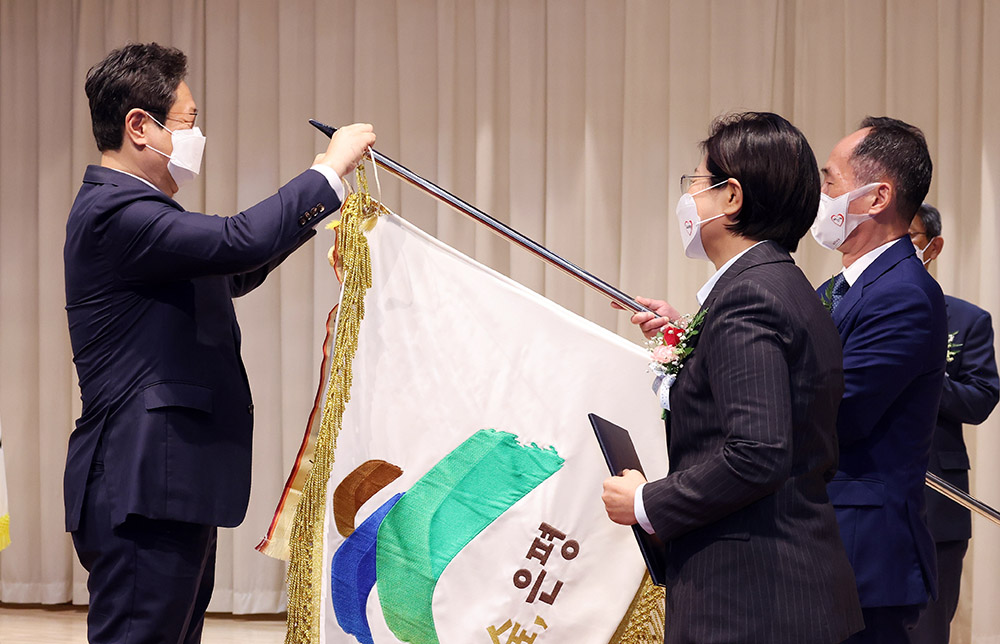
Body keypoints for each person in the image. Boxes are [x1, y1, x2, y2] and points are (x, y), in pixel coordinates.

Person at [63, 42, 375, 644]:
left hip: (168, 483)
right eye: (187, 120)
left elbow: (233, 269)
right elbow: (236, 241)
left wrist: (321, 202)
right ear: (138, 126)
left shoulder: (143, 215)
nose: (196, 134)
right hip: (140, 484)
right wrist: (325, 175)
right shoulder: (114, 211)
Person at [602, 112, 863, 643]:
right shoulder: (776, 284)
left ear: (732, 198)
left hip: (752, 602)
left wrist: (647, 502)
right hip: (774, 591)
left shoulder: (750, 296)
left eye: (697, 182)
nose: (689, 196)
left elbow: (757, 452)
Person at [812, 117, 947, 643]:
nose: (820, 195)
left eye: (830, 181)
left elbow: (838, 412)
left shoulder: (903, 294)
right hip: (830, 551)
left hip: (864, 557)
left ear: (876, 197)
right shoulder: (841, 285)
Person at [907, 203, 999, 644]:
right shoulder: (846, 307)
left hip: (938, 500)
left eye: (908, 238)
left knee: (927, 630)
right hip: (858, 499)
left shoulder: (967, 319)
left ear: (933, 246)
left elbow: (980, 401)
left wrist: (926, 372)